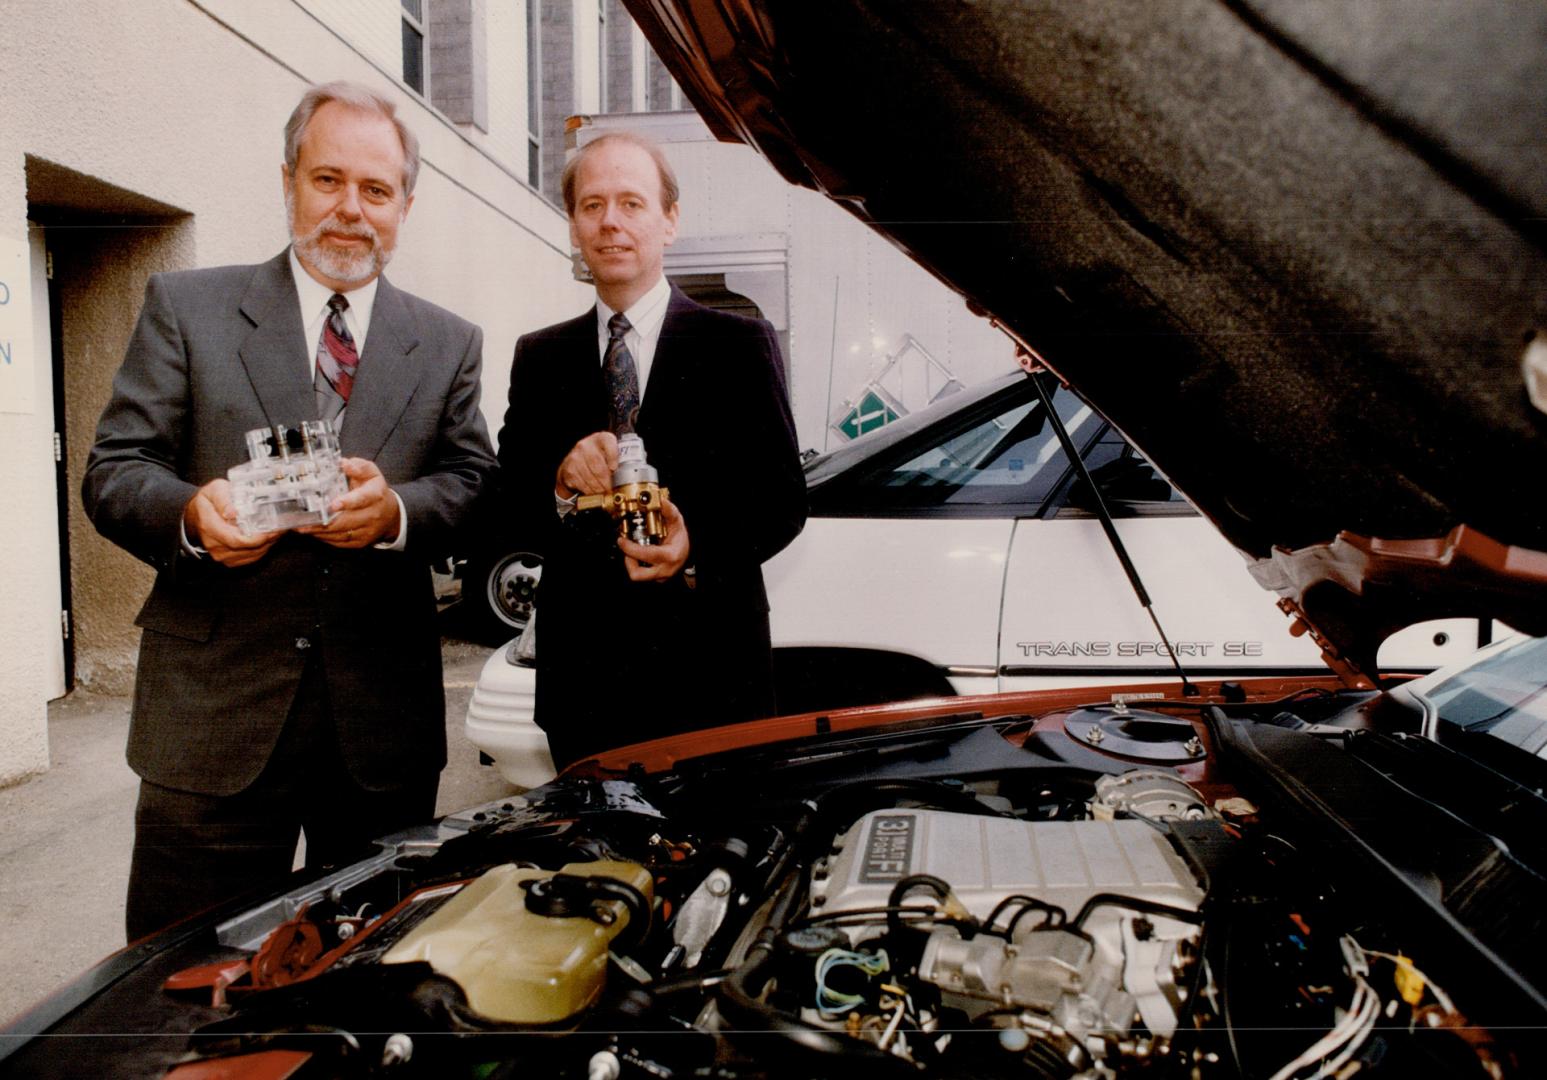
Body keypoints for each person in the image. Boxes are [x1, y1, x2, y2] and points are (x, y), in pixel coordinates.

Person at [82, 81, 497, 940]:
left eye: (376, 190)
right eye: (328, 180)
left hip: (380, 734)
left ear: (405, 205)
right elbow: (115, 470)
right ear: (288, 181)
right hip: (212, 725)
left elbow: (474, 483)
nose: (351, 210)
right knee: (178, 989)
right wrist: (194, 516)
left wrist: (395, 517)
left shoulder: (450, 340)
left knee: (366, 978)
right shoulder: (187, 308)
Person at [498, 132, 806, 769]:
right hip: (583, 692)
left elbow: (781, 501)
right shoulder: (539, 356)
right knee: (597, 868)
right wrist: (558, 485)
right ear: (575, 225)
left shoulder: (739, 344)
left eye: (632, 203)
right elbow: (505, 503)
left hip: (713, 680)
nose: (610, 221)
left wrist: (694, 545)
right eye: (592, 205)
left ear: (669, 219)